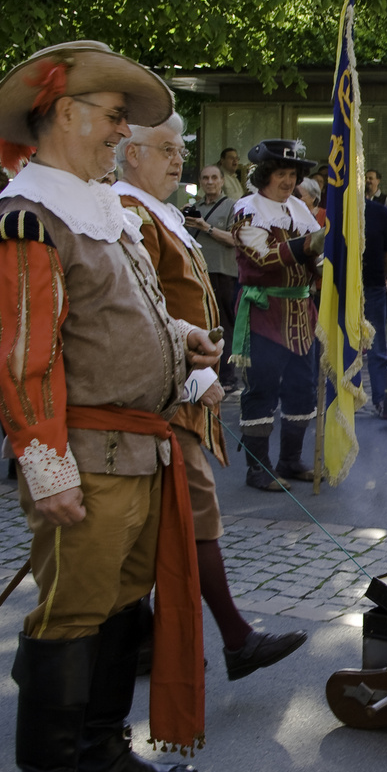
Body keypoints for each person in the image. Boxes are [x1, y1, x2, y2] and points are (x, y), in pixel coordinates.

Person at [0, 39, 219, 772]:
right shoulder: (28, 216)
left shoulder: (93, 207)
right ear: (66, 114)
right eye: (113, 117)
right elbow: (19, 359)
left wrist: (181, 339)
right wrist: (46, 470)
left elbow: (114, 311)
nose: (122, 131)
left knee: (121, 609)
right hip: (85, 454)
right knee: (71, 617)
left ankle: (102, 755)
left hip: (135, 451)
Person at [115, 116, 307, 678]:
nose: (179, 161)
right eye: (166, 151)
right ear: (131, 155)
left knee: (154, 522)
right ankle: (234, 637)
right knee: (192, 514)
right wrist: (195, 373)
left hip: (178, 382)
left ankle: (150, 636)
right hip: (161, 394)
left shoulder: (156, 212)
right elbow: (141, 310)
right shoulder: (130, 215)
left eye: (181, 150)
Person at [231, 139, 324, 489]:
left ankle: (290, 460)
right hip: (265, 313)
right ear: (266, 175)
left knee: (301, 388)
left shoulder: (300, 210)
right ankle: (258, 468)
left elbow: (315, 262)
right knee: (262, 390)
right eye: (282, 174)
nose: (288, 181)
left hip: (303, 313)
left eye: (293, 174)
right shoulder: (248, 209)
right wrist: (310, 245)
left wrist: (329, 266)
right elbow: (264, 259)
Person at [186, 164, 239, 390]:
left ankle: (228, 377)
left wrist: (205, 227)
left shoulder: (232, 206)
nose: (209, 182)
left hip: (223, 274)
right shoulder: (194, 207)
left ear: (221, 181)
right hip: (198, 273)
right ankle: (206, 375)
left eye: (214, 178)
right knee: (201, 323)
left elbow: (236, 239)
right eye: (205, 178)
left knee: (224, 324)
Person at [362, 180, 387, 417]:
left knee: (377, 346)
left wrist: (381, 277)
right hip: (339, 289)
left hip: (373, 286)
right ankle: (340, 399)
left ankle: (381, 399)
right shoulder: (335, 212)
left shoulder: (380, 212)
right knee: (340, 345)